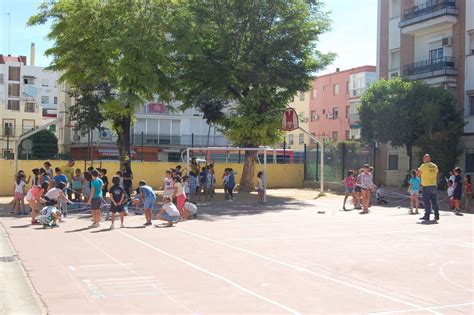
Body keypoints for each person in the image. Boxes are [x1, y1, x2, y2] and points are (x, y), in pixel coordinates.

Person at [418, 154, 439, 221]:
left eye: (424, 158)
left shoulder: (423, 166)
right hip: (433, 185)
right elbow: (436, 173)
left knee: (426, 201)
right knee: (434, 201)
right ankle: (437, 215)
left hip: (426, 186)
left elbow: (418, 174)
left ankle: (427, 216)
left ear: (426, 159)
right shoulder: (435, 166)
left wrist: (418, 170)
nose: (423, 159)